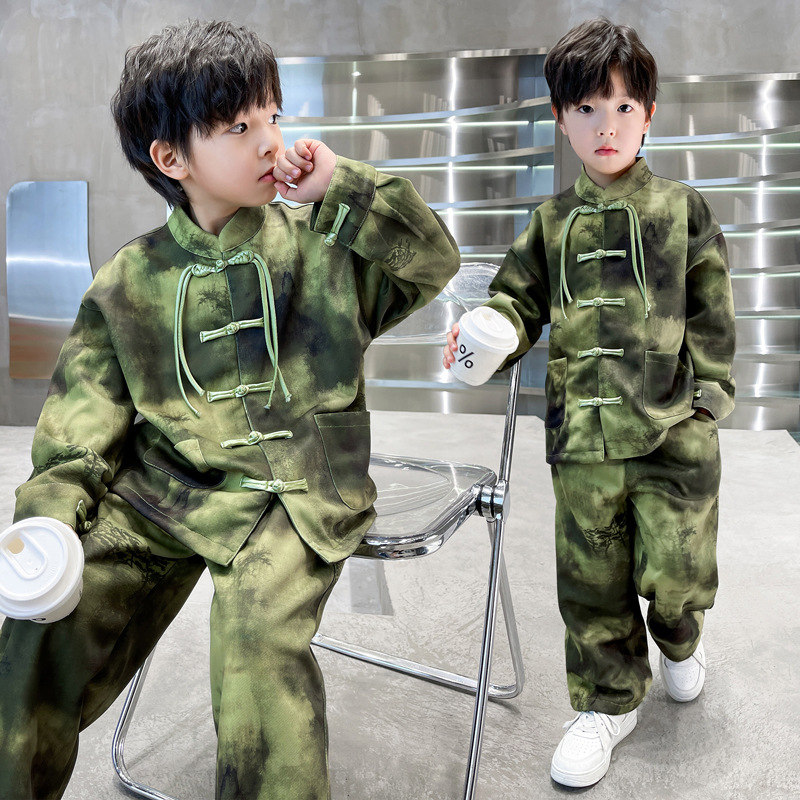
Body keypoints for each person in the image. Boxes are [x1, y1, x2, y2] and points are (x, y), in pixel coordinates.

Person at [0, 19, 460, 800]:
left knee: (257, 643)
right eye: (240, 127)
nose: (270, 141)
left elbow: (432, 260)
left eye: (272, 116)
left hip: (297, 492)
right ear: (171, 158)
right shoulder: (128, 283)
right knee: (38, 636)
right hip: (168, 492)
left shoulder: (325, 250)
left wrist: (342, 189)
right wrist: (49, 521)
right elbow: (80, 422)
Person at [444, 17, 735, 789]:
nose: (606, 127)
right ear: (560, 118)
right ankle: (608, 704)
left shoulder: (683, 211)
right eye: (586, 109)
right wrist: (486, 331)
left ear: (648, 114)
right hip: (582, 441)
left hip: (673, 435)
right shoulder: (549, 225)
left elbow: (711, 315)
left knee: (677, 572)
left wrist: (708, 403)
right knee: (592, 583)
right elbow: (515, 302)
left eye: (623, 107)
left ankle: (680, 637)